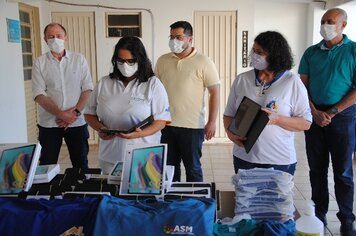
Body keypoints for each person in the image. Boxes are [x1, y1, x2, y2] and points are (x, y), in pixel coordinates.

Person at [298, 8, 356, 235]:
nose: (324, 25)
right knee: (316, 170)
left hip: (343, 118)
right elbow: (302, 86)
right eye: (323, 21)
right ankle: (319, 214)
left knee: (343, 171)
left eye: (330, 21)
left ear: (343, 25)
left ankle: (346, 219)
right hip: (314, 117)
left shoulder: (353, 51)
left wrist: (332, 112)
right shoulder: (311, 53)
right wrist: (313, 112)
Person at [223, 31, 312, 176]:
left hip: (279, 161)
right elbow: (228, 114)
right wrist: (230, 134)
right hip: (244, 158)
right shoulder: (242, 79)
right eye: (254, 50)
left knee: (275, 199)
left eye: (260, 52)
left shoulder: (292, 82)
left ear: (275, 55)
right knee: (245, 198)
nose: (254, 55)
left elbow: (306, 123)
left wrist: (277, 119)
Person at [84, 36, 171, 174]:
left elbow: (161, 121)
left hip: (144, 157)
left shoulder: (152, 84)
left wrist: (139, 134)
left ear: (140, 60)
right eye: (121, 61)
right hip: (110, 156)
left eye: (131, 61)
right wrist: (101, 129)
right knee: (111, 192)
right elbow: (89, 113)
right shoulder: (104, 83)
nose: (125, 65)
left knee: (141, 194)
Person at [155, 21, 220, 182]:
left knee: (193, 168)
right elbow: (154, 90)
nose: (173, 41)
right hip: (166, 125)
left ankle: (196, 203)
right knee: (169, 169)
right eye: (171, 37)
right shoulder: (162, 60)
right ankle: (172, 202)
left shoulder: (204, 62)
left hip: (192, 127)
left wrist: (212, 122)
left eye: (178, 37)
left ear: (190, 39)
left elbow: (215, 92)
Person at [32, 23, 94, 170]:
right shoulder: (39, 63)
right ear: (45, 39)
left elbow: (87, 88)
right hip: (49, 124)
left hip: (76, 122)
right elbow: (39, 94)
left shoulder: (79, 59)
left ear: (65, 37)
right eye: (51, 37)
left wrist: (74, 113)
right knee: (47, 164)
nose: (55, 40)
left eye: (58, 36)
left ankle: (79, 191)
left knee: (81, 165)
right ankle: (49, 192)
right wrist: (61, 114)